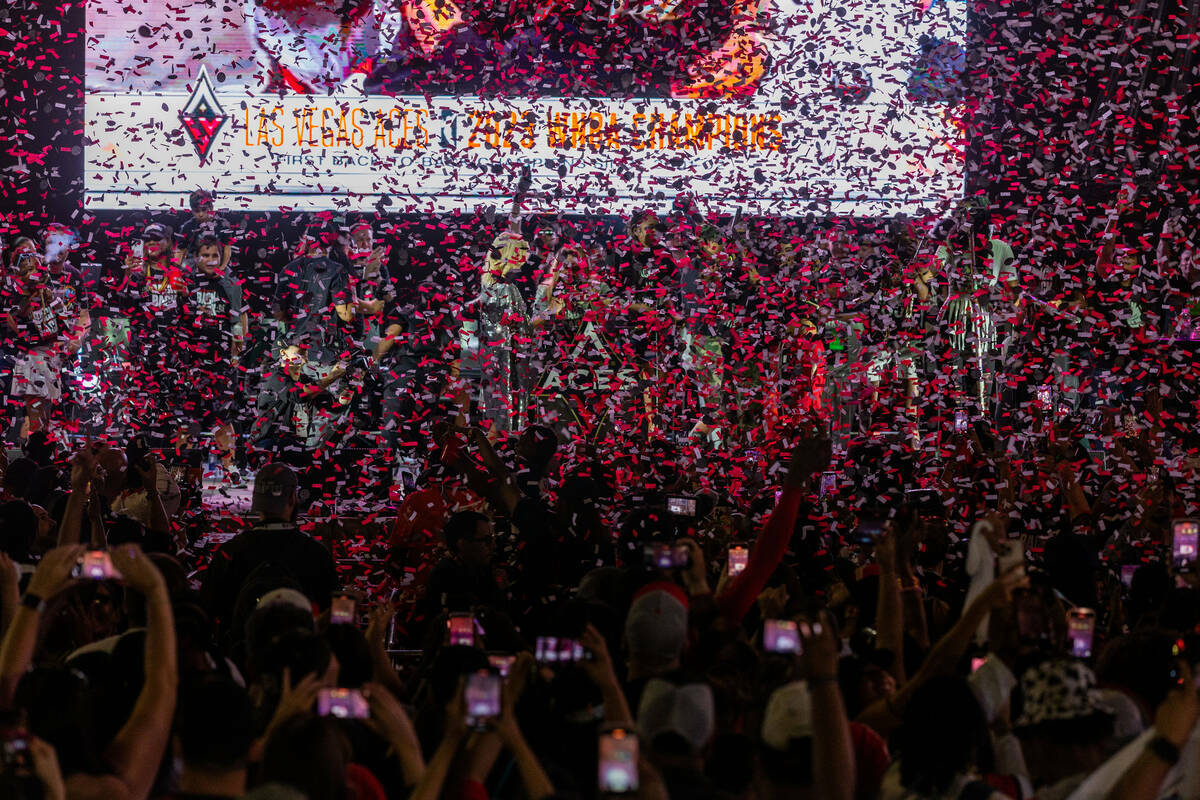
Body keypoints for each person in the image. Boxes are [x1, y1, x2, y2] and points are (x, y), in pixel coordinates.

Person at [199, 462, 339, 637]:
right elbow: (340, 622)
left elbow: (204, 614)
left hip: (242, 660)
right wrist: (349, 602)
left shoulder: (231, 553)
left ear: (256, 500)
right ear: (292, 499)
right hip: (299, 659)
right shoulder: (316, 554)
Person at [180, 235, 248, 479]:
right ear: (196, 257)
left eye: (214, 256)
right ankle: (182, 473)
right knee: (187, 417)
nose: (209, 260)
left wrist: (236, 349)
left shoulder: (229, 282)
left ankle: (230, 469)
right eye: (205, 255)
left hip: (221, 361)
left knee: (223, 417)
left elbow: (238, 318)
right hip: (190, 361)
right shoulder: (185, 281)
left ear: (221, 258)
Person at [177, 190, 235, 271]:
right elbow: (180, 250)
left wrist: (222, 267)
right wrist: (177, 269)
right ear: (192, 210)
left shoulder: (222, 224)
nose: (200, 214)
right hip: (193, 265)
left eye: (204, 210)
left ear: (211, 207)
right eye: (197, 211)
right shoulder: (187, 227)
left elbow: (227, 248)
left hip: (216, 264)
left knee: (234, 283)